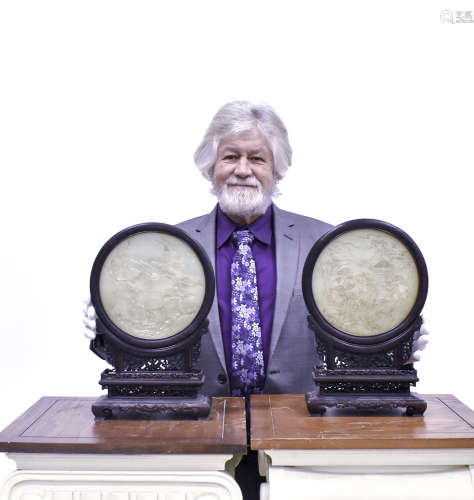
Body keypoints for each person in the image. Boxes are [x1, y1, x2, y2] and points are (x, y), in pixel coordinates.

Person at [83, 100, 428, 499]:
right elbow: (143, 334)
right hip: (196, 444)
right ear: (210, 167)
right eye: (231, 156)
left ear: (276, 169)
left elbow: (367, 322)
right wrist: (110, 327)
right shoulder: (165, 250)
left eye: (257, 158)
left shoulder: (330, 246)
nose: (243, 169)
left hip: (302, 444)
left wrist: (395, 337)